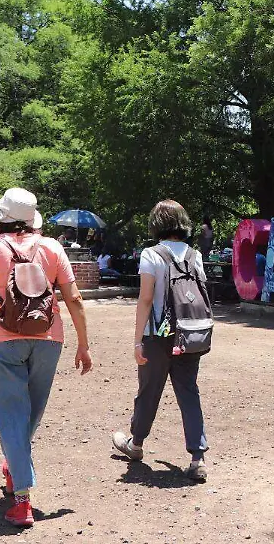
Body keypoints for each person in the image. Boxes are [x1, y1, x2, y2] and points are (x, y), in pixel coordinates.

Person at [0, 188, 93, 528]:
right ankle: (14, 467)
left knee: (12, 415)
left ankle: (22, 500)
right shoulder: (53, 248)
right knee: (30, 414)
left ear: (1, 218)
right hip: (48, 339)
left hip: (1, 340)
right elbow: (74, 298)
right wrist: (83, 344)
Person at [111, 200, 210, 482]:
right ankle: (197, 457)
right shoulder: (195, 255)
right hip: (190, 334)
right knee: (189, 392)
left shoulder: (151, 255)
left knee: (149, 391)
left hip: (159, 335)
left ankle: (136, 444)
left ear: (156, 224)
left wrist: (137, 340)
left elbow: (145, 299)